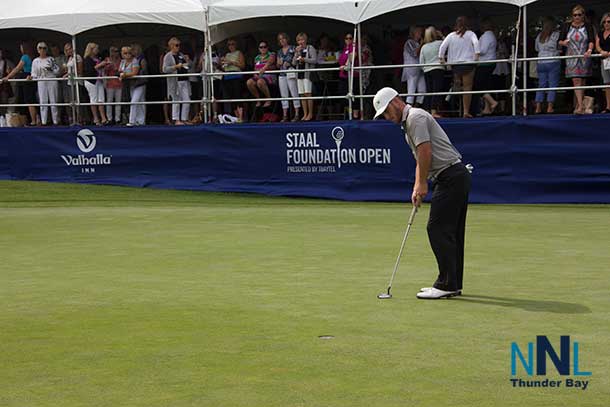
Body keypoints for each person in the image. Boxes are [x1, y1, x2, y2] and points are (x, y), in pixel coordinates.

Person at [373, 87, 470, 299]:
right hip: (454, 176)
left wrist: (422, 183)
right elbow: (420, 157)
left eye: (387, 113)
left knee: (437, 228)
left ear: (395, 103)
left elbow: (426, 151)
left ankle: (446, 284)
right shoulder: (408, 123)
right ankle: (452, 283)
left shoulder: (415, 118)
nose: (388, 118)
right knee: (450, 232)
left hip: (450, 176)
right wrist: (417, 186)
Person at [439, 16, 480, 118]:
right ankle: (465, 111)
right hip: (468, 63)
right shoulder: (471, 34)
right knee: (467, 88)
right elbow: (476, 43)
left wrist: (442, 59)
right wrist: (476, 56)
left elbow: (442, 47)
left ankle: (454, 107)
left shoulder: (451, 35)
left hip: (455, 65)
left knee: (457, 85)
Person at [559, 4, 595, 115]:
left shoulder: (588, 26)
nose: (577, 17)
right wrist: (564, 43)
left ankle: (580, 105)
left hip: (584, 56)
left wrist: (589, 50)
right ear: (572, 16)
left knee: (582, 81)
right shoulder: (566, 26)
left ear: (583, 15)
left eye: (579, 15)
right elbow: (560, 41)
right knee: (576, 81)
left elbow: (591, 40)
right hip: (572, 57)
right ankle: (580, 106)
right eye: (575, 15)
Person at [2, 42, 40, 125]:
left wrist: (8, 77)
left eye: (21, 48)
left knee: (29, 100)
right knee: (33, 99)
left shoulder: (25, 57)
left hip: (27, 78)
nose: (20, 49)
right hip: (33, 77)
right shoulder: (33, 56)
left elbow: (17, 68)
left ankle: (33, 120)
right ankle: (37, 118)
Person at [535, 17, 561, 114]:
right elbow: (557, 46)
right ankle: (550, 107)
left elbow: (536, 48)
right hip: (553, 60)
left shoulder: (539, 36)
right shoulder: (556, 34)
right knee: (552, 84)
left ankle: (538, 107)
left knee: (541, 85)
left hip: (541, 62)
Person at [163, 37, 192, 125]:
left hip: (184, 80)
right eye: (176, 45)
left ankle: (184, 118)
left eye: (179, 45)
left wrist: (187, 61)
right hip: (175, 81)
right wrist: (175, 67)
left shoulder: (181, 54)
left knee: (187, 99)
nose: (178, 47)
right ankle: (176, 119)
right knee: (176, 99)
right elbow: (164, 69)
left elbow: (189, 66)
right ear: (171, 46)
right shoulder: (168, 56)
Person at [31, 42, 60, 125]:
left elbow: (57, 70)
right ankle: (44, 121)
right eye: (40, 48)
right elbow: (34, 74)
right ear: (38, 50)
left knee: (53, 100)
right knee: (43, 101)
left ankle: (55, 121)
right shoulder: (35, 61)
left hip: (51, 80)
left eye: (44, 48)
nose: (42, 50)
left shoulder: (51, 59)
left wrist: (51, 69)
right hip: (41, 81)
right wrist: (31, 77)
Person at [419, 26, 445, 118]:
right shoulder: (440, 43)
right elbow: (447, 44)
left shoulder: (423, 47)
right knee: (436, 90)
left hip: (427, 71)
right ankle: (434, 111)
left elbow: (421, 62)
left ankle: (427, 110)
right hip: (438, 69)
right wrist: (441, 36)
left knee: (429, 91)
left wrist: (425, 68)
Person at [475, 19, 499, 115]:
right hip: (490, 62)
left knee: (478, 84)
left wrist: (474, 49)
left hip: (485, 63)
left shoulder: (486, 36)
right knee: (486, 84)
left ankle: (492, 101)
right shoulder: (491, 35)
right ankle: (487, 108)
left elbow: (483, 50)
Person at [276, 33, 301, 121]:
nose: (282, 40)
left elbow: (297, 60)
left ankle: (297, 114)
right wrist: (279, 63)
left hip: (291, 72)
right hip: (282, 74)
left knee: (294, 93)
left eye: (283, 38)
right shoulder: (279, 51)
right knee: (284, 95)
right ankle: (285, 115)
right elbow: (277, 64)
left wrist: (289, 63)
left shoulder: (293, 48)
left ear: (287, 39)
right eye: (280, 39)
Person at [83, 42, 109, 125]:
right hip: (91, 81)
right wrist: (100, 65)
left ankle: (103, 118)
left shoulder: (98, 58)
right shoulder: (87, 59)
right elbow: (89, 70)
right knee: (93, 99)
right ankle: (96, 118)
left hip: (99, 80)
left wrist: (104, 65)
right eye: (96, 49)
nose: (98, 50)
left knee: (101, 99)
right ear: (91, 50)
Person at [294, 32, 317, 121]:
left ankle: (310, 114)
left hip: (307, 74)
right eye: (299, 40)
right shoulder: (297, 50)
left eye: (302, 39)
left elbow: (314, 60)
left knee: (308, 93)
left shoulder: (310, 48)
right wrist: (296, 53)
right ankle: (305, 114)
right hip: (299, 74)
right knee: (302, 95)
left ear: (305, 40)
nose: (301, 42)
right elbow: (293, 63)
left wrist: (304, 59)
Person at [246, 40, 276, 108]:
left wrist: (264, 68)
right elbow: (255, 68)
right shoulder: (257, 57)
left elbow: (270, 62)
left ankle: (268, 99)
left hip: (269, 76)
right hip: (259, 75)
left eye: (264, 47)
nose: (263, 48)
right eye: (261, 47)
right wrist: (255, 74)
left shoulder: (271, 54)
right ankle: (258, 99)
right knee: (249, 82)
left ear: (267, 47)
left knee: (260, 82)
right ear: (259, 49)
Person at [220, 38, 246, 118]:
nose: (231, 46)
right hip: (228, 76)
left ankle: (241, 117)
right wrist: (222, 64)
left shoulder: (239, 53)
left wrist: (232, 62)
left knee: (237, 96)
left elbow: (242, 66)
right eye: (229, 44)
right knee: (231, 98)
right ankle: (236, 117)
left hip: (236, 76)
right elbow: (224, 68)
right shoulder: (227, 55)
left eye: (232, 44)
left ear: (236, 45)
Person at [402, 26, 426, 106]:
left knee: (422, 89)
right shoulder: (409, 42)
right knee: (411, 88)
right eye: (418, 32)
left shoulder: (418, 43)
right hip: (412, 69)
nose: (420, 33)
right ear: (413, 33)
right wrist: (422, 44)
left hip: (420, 69)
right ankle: (409, 107)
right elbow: (415, 53)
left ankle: (417, 106)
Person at [338, 32, 360, 119]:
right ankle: (349, 112)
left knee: (354, 94)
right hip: (343, 75)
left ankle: (355, 115)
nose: (348, 40)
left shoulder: (354, 47)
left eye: (350, 38)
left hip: (352, 75)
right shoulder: (344, 49)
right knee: (343, 93)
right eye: (346, 38)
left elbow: (352, 57)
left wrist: (346, 65)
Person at [118, 46, 140, 126]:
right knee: (130, 101)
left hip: (136, 84)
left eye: (129, 53)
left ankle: (134, 121)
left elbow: (135, 72)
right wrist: (122, 75)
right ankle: (134, 120)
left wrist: (125, 75)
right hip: (127, 84)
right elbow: (120, 71)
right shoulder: (123, 61)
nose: (127, 55)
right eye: (125, 53)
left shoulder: (135, 61)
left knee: (135, 101)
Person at [130, 44, 148, 125]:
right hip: (133, 83)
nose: (132, 52)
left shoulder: (142, 59)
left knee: (137, 101)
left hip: (140, 83)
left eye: (134, 50)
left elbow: (144, 70)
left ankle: (134, 120)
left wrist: (136, 74)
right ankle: (139, 120)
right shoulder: (133, 59)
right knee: (139, 101)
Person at [104, 46, 123, 125]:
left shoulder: (121, 61)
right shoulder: (107, 60)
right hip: (110, 84)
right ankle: (109, 118)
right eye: (112, 51)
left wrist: (115, 68)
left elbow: (121, 71)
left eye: (116, 51)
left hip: (119, 83)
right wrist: (108, 66)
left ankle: (117, 119)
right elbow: (104, 70)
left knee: (118, 102)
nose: (114, 53)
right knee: (109, 102)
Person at [596, 12, 610, 113]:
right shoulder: (600, 33)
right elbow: (597, 45)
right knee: (607, 84)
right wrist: (601, 51)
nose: (606, 24)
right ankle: (608, 107)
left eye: (609, 21)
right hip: (604, 61)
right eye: (604, 22)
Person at [0, 49, 15, 116]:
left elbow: (13, 72)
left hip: (4, 86)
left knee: (4, 101)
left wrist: (8, 73)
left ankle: (3, 117)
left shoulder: (7, 62)